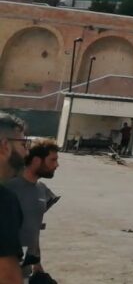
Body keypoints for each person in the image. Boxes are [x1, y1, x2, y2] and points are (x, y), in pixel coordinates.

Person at [6, 139, 59, 282]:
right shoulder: (9, 188)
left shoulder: (42, 189)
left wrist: (37, 262)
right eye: (53, 160)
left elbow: (33, 229)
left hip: (26, 267)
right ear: (36, 161)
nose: (56, 165)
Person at [0, 112, 28, 284]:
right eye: (23, 144)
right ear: (5, 146)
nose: (27, 152)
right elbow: (7, 277)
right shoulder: (4, 201)